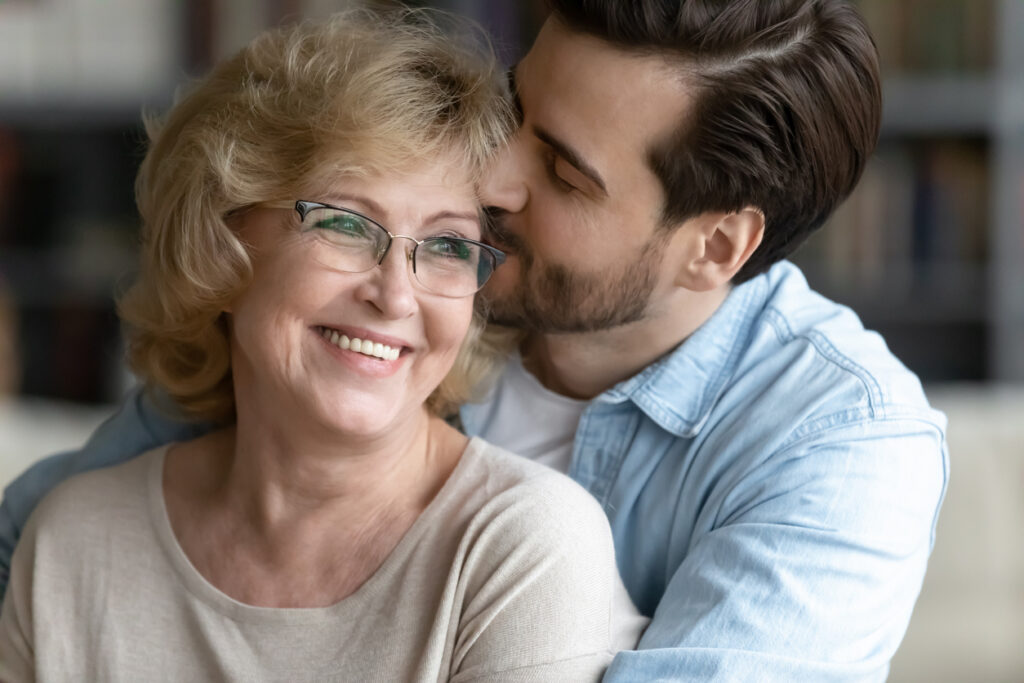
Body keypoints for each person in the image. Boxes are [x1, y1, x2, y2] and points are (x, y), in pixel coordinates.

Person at [0, 0, 949, 680]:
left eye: (565, 174)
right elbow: (57, 542)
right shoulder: (408, 286)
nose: (490, 179)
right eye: (516, 107)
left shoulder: (840, 441)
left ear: (715, 246)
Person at [0, 9, 648, 681]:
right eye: (344, 222)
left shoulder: (522, 546)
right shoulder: (70, 543)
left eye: (449, 245)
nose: (396, 296)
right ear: (221, 241)